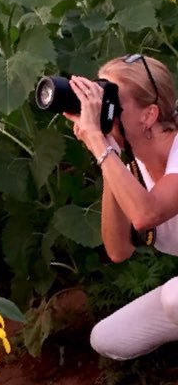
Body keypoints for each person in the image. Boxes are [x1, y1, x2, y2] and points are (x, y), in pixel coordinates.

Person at [64, 55, 178, 360]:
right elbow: (118, 250)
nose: (101, 107)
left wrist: (99, 146)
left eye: (110, 97)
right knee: (109, 338)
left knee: (175, 298)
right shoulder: (131, 160)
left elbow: (146, 215)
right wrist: (109, 152)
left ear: (149, 114)